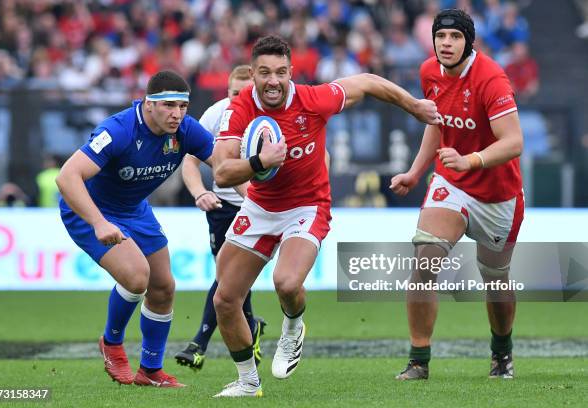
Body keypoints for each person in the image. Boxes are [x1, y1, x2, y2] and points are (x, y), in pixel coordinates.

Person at [211, 35, 439, 397]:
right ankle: (248, 382)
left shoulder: (313, 99)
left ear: (291, 72)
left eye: (281, 72)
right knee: (224, 300)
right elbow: (221, 173)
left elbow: (367, 82)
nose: (274, 80)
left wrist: (413, 106)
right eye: (265, 72)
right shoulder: (241, 108)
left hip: (307, 206)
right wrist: (259, 163)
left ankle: (293, 326)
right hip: (260, 206)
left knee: (286, 283)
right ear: (252, 74)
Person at [56, 70, 215, 388]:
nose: (177, 114)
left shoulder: (185, 130)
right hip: (90, 210)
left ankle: (151, 371)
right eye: (169, 105)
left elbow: (224, 164)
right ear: (148, 103)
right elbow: (67, 177)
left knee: (164, 287)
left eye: (182, 106)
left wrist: (256, 175)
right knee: (137, 276)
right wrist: (99, 223)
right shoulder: (118, 130)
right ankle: (111, 343)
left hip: (135, 210)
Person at [390, 9, 524, 380]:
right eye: (441, 36)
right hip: (451, 181)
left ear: (469, 42)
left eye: (455, 37)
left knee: (495, 278)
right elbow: (437, 124)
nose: (446, 43)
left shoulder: (491, 79)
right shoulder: (428, 71)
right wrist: (416, 172)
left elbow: (514, 142)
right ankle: (419, 360)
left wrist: (472, 160)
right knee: (425, 258)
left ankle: (502, 352)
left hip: (498, 194)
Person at [174, 65, 267, 371]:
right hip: (222, 208)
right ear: (226, 93)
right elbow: (190, 160)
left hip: (258, 209)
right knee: (232, 278)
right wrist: (200, 192)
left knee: (229, 277)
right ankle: (251, 328)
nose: (238, 99)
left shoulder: (269, 116)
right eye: (233, 94)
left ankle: (198, 344)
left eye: (245, 94)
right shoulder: (217, 114)